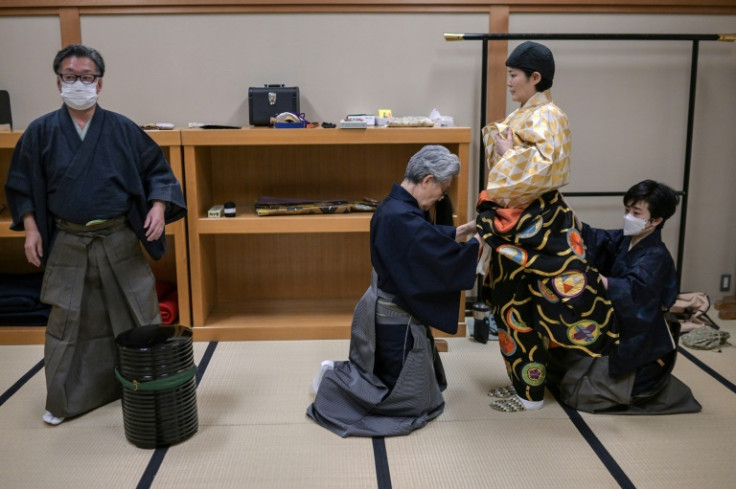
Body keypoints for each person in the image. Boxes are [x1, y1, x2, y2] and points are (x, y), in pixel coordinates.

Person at [4, 44, 186, 425]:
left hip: (118, 238)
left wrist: (156, 206)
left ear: (99, 84)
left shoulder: (121, 129)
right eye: (70, 77)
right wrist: (32, 230)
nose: (78, 84)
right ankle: (67, 401)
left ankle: (145, 386)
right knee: (68, 323)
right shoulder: (40, 132)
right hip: (68, 241)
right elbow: (21, 186)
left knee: (138, 313)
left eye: (86, 78)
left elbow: (158, 172)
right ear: (59, 82)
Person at [476, 41, 618, 412]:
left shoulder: (550, 115)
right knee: (510, 308)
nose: (508, 82)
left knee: (545, 306)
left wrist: (507, 152)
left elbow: (546, 168)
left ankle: (534, 390)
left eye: (513, 75)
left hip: (541, 225)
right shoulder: (523, 114)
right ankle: (526, 390)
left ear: (535, 78)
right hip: (514, 223)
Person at [306, 145, 480, 437]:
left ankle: (340, 378)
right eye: (442, 189)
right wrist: (478, 246)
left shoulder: (397, 207)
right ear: (427, 180)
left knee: (420, 390)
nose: (441, 196)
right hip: (395, 318)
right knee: (406, 403)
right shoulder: (400, 216)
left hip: (386, 308)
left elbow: (426, 240)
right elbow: (432, 253)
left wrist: (466, 231)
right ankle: (334, 383)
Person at [548, 180, 701, 414]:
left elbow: (632, 294)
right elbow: (587, 235)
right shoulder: (625, 240)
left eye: (636, 212)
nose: (628, 216)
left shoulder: (656, 258)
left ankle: (637, 383)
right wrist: (556, 199)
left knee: (579, 396)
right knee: (555, 367)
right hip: (615, 329)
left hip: (637, 341)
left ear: (656, 220)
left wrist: (594, 279)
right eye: (627, 210)